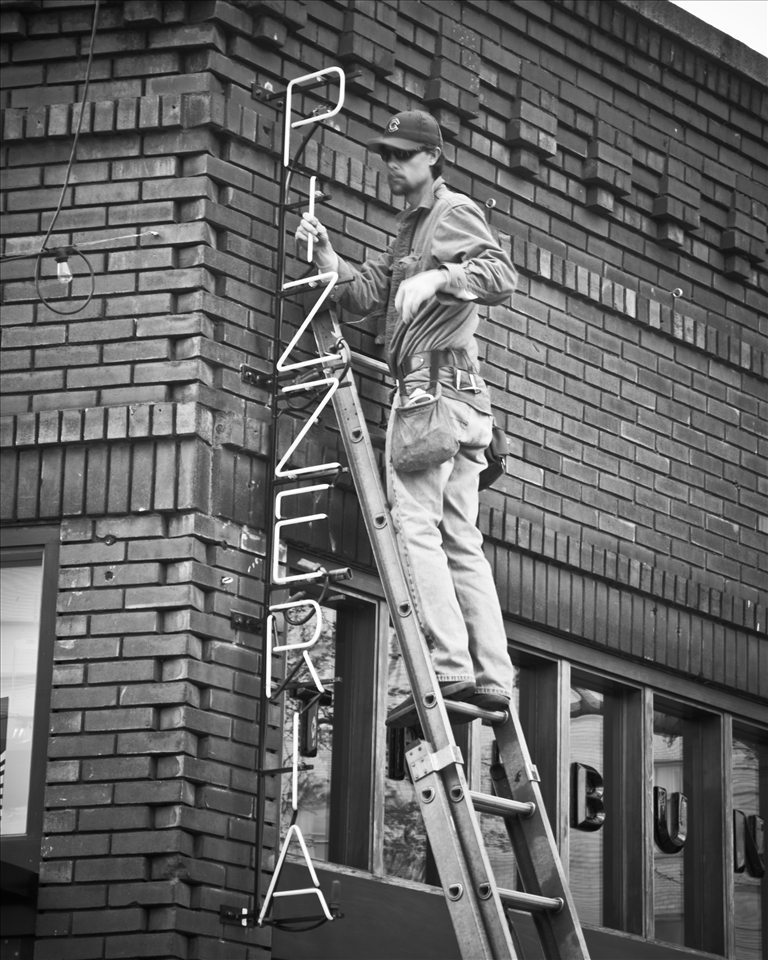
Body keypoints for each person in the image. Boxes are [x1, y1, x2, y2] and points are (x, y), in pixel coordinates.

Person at [295, 109, 517, 713]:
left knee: (416, 527)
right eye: (386, 155)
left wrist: (444, 279)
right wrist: (327, 259)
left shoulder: (450, 214)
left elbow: (501, 275)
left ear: (432, 158)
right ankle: (495, 676)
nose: (392, 164)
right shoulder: (410, 230)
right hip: (464, 405)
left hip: (432, 399)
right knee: (460, 538)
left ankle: (449, 667)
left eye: (402, 154)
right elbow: (367, 293)